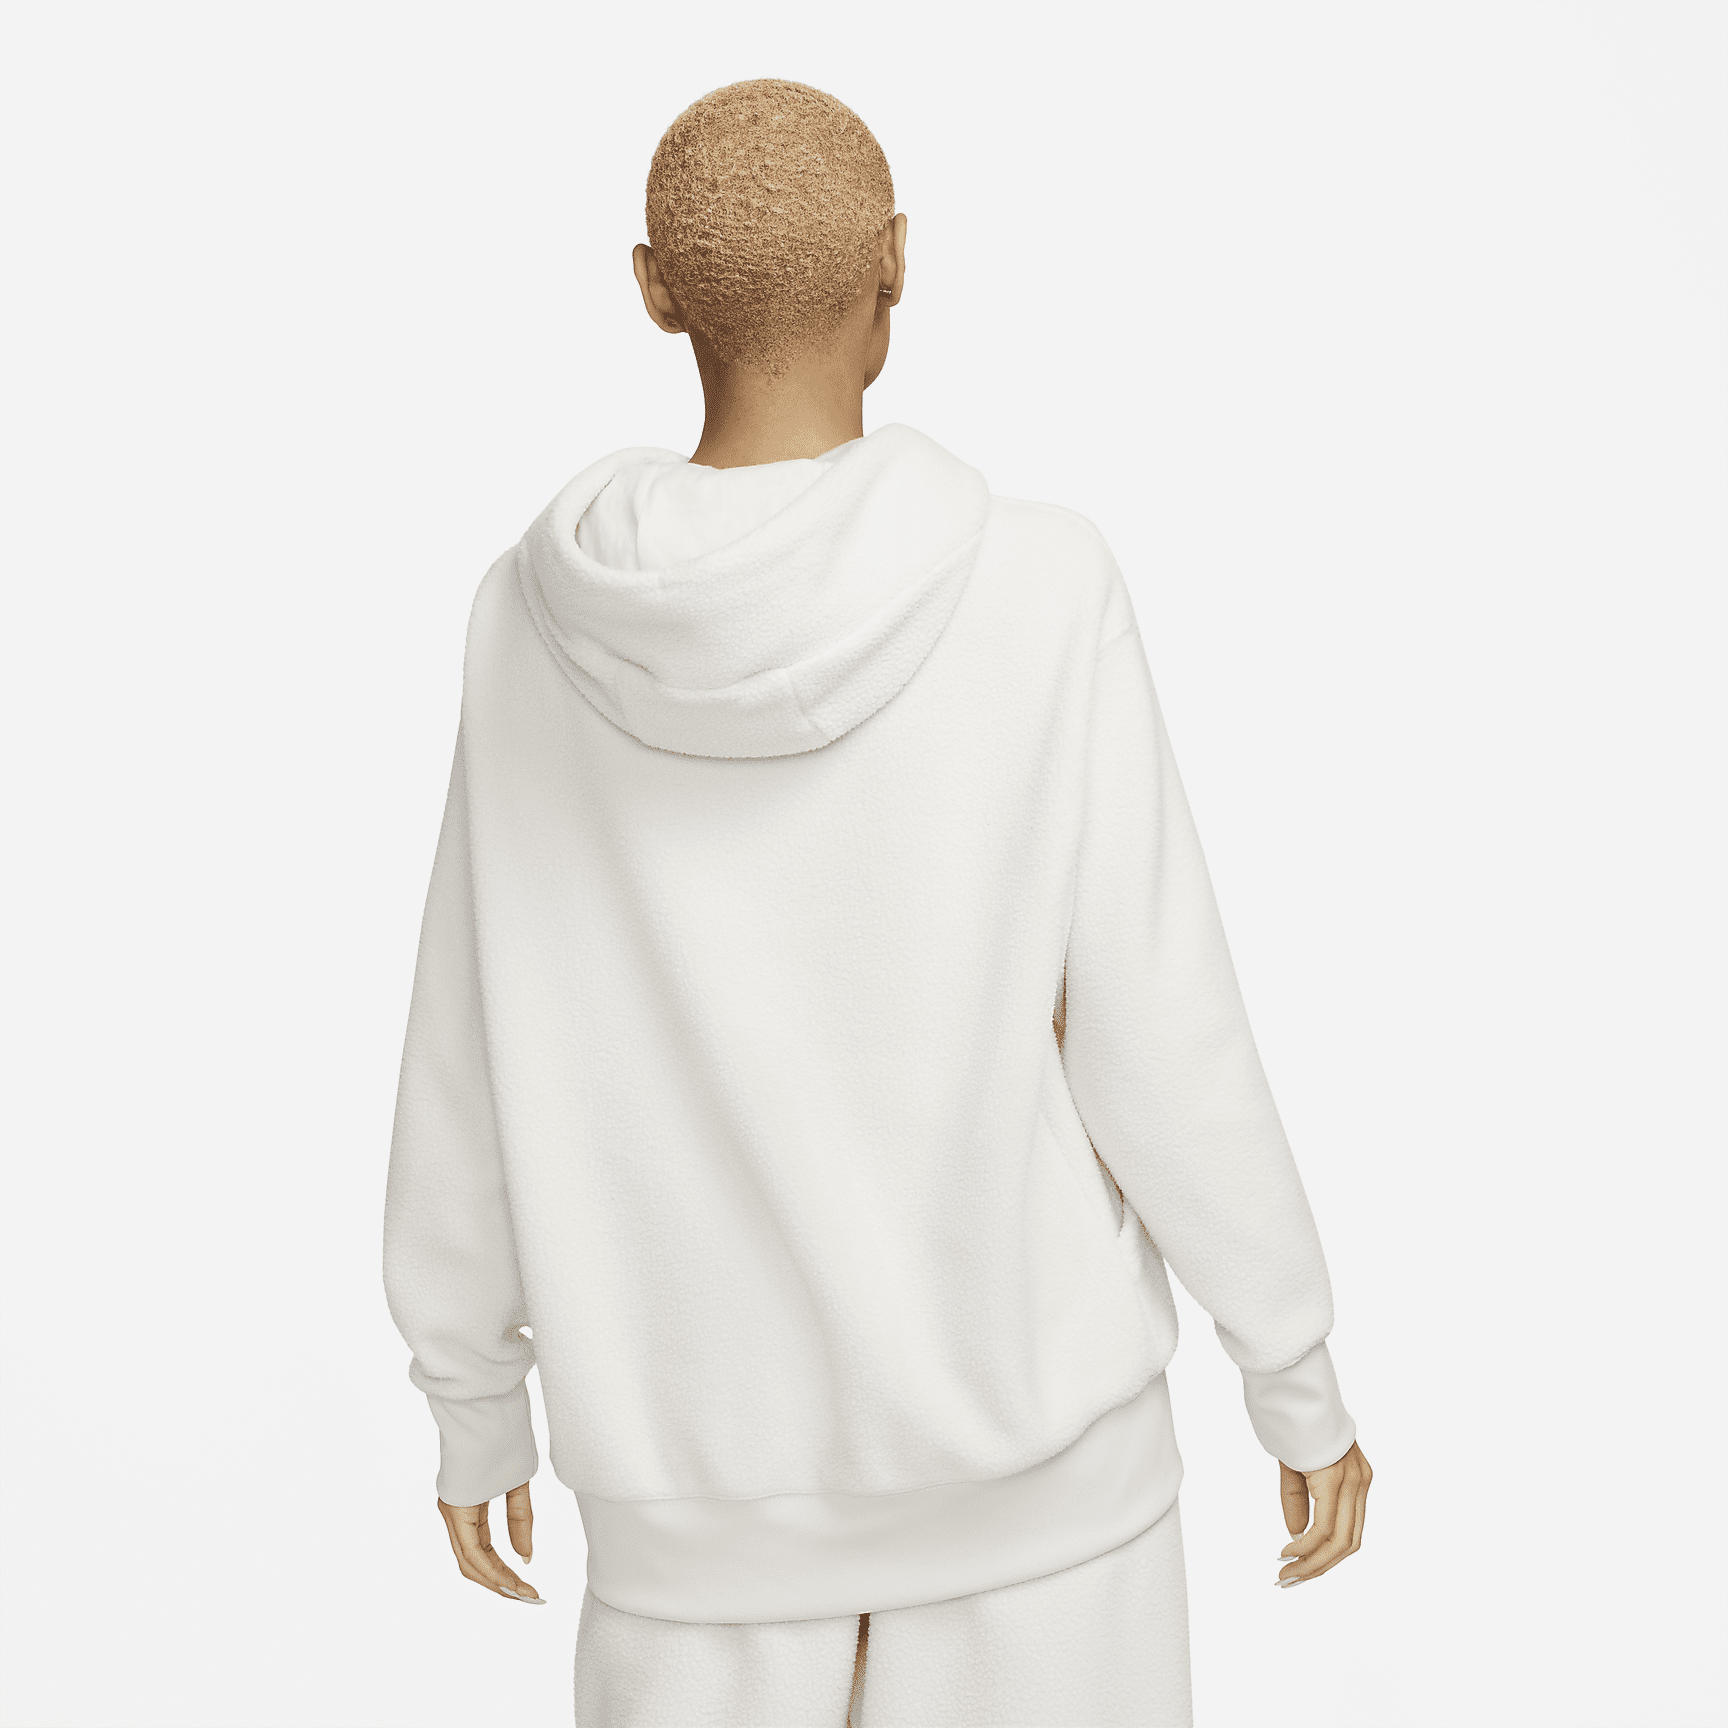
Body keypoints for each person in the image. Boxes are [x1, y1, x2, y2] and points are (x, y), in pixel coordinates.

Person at [382, 77, 1372, 1728]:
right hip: (1045, 1510)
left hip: (690, 1525)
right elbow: (1158, 1028)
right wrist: (1294, 1366)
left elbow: (464, 1041)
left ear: (653, 290)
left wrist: (472, 1395)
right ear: (899, 261)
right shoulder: (1039, 585)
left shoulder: (529, 622)